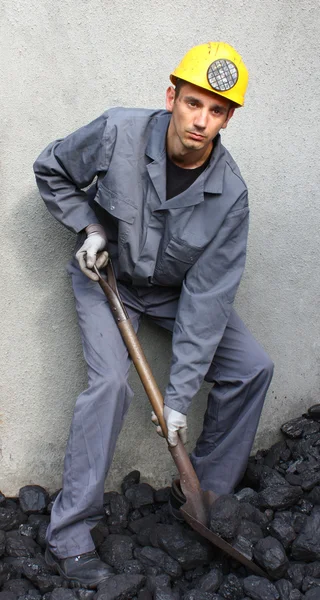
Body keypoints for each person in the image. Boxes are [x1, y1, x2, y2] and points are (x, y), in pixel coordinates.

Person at [34, 41, 274, 588]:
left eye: (216, 111)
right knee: (111, 386)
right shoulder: (118, 132)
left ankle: (203, 497)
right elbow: (51, 170)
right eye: (194, 103)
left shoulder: (229, 196)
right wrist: (90, 228)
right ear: (172, 96)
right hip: (107, 275)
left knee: (253, 366)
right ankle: (69, 537)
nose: (201, 120)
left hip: (172, 291)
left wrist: (179, 398)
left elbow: (208, 301)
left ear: (228, 119)